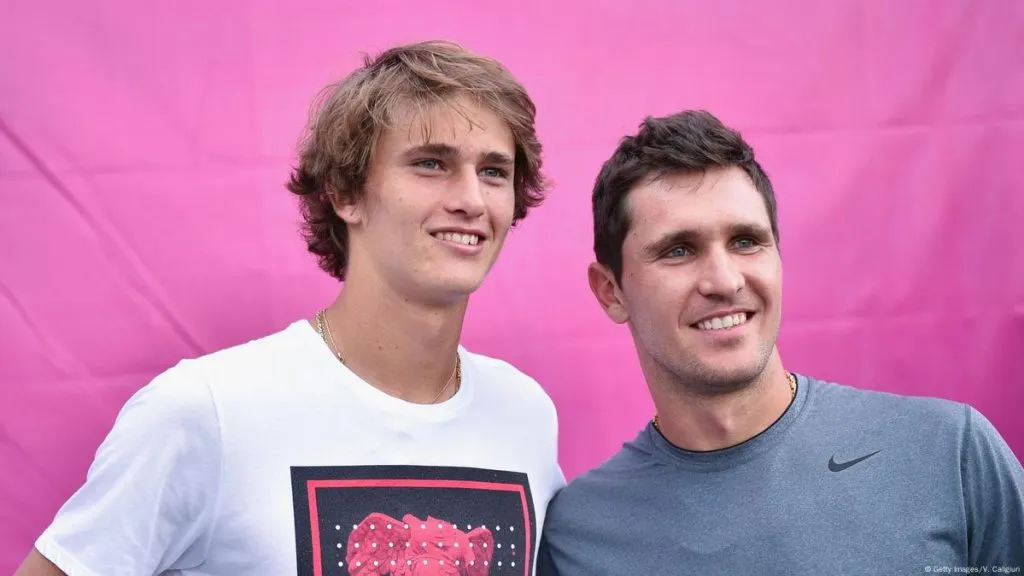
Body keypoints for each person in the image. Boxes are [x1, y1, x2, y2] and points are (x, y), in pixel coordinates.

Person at [17, 40, 565, 576]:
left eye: (494, 171)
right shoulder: (208, 410)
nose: (470, 199)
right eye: (430, 163)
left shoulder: (525, 413)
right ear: (344, 193)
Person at [536, 110, 1024, 574]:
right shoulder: (577, 534)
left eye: (746, 241)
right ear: (611, 291)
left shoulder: (947, 453)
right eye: (679, 250)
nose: (724, 281)